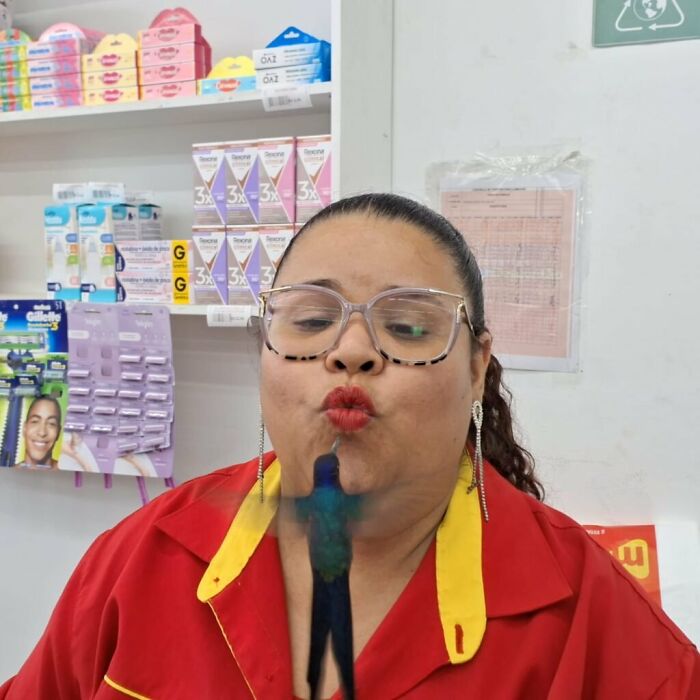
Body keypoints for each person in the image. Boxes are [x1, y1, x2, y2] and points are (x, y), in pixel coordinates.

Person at [1, 193, 698, 699]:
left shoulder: (588, 621)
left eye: (409, 327)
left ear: (478, 367)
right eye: (310, 318)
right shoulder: (139, 562)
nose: (352, 351)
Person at [11, 395, 61, 470]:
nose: (42, 433)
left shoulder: (68, 475)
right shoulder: (6, 474)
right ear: (25, 428)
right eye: (35, 421)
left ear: (58, 432)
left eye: (51, 423)